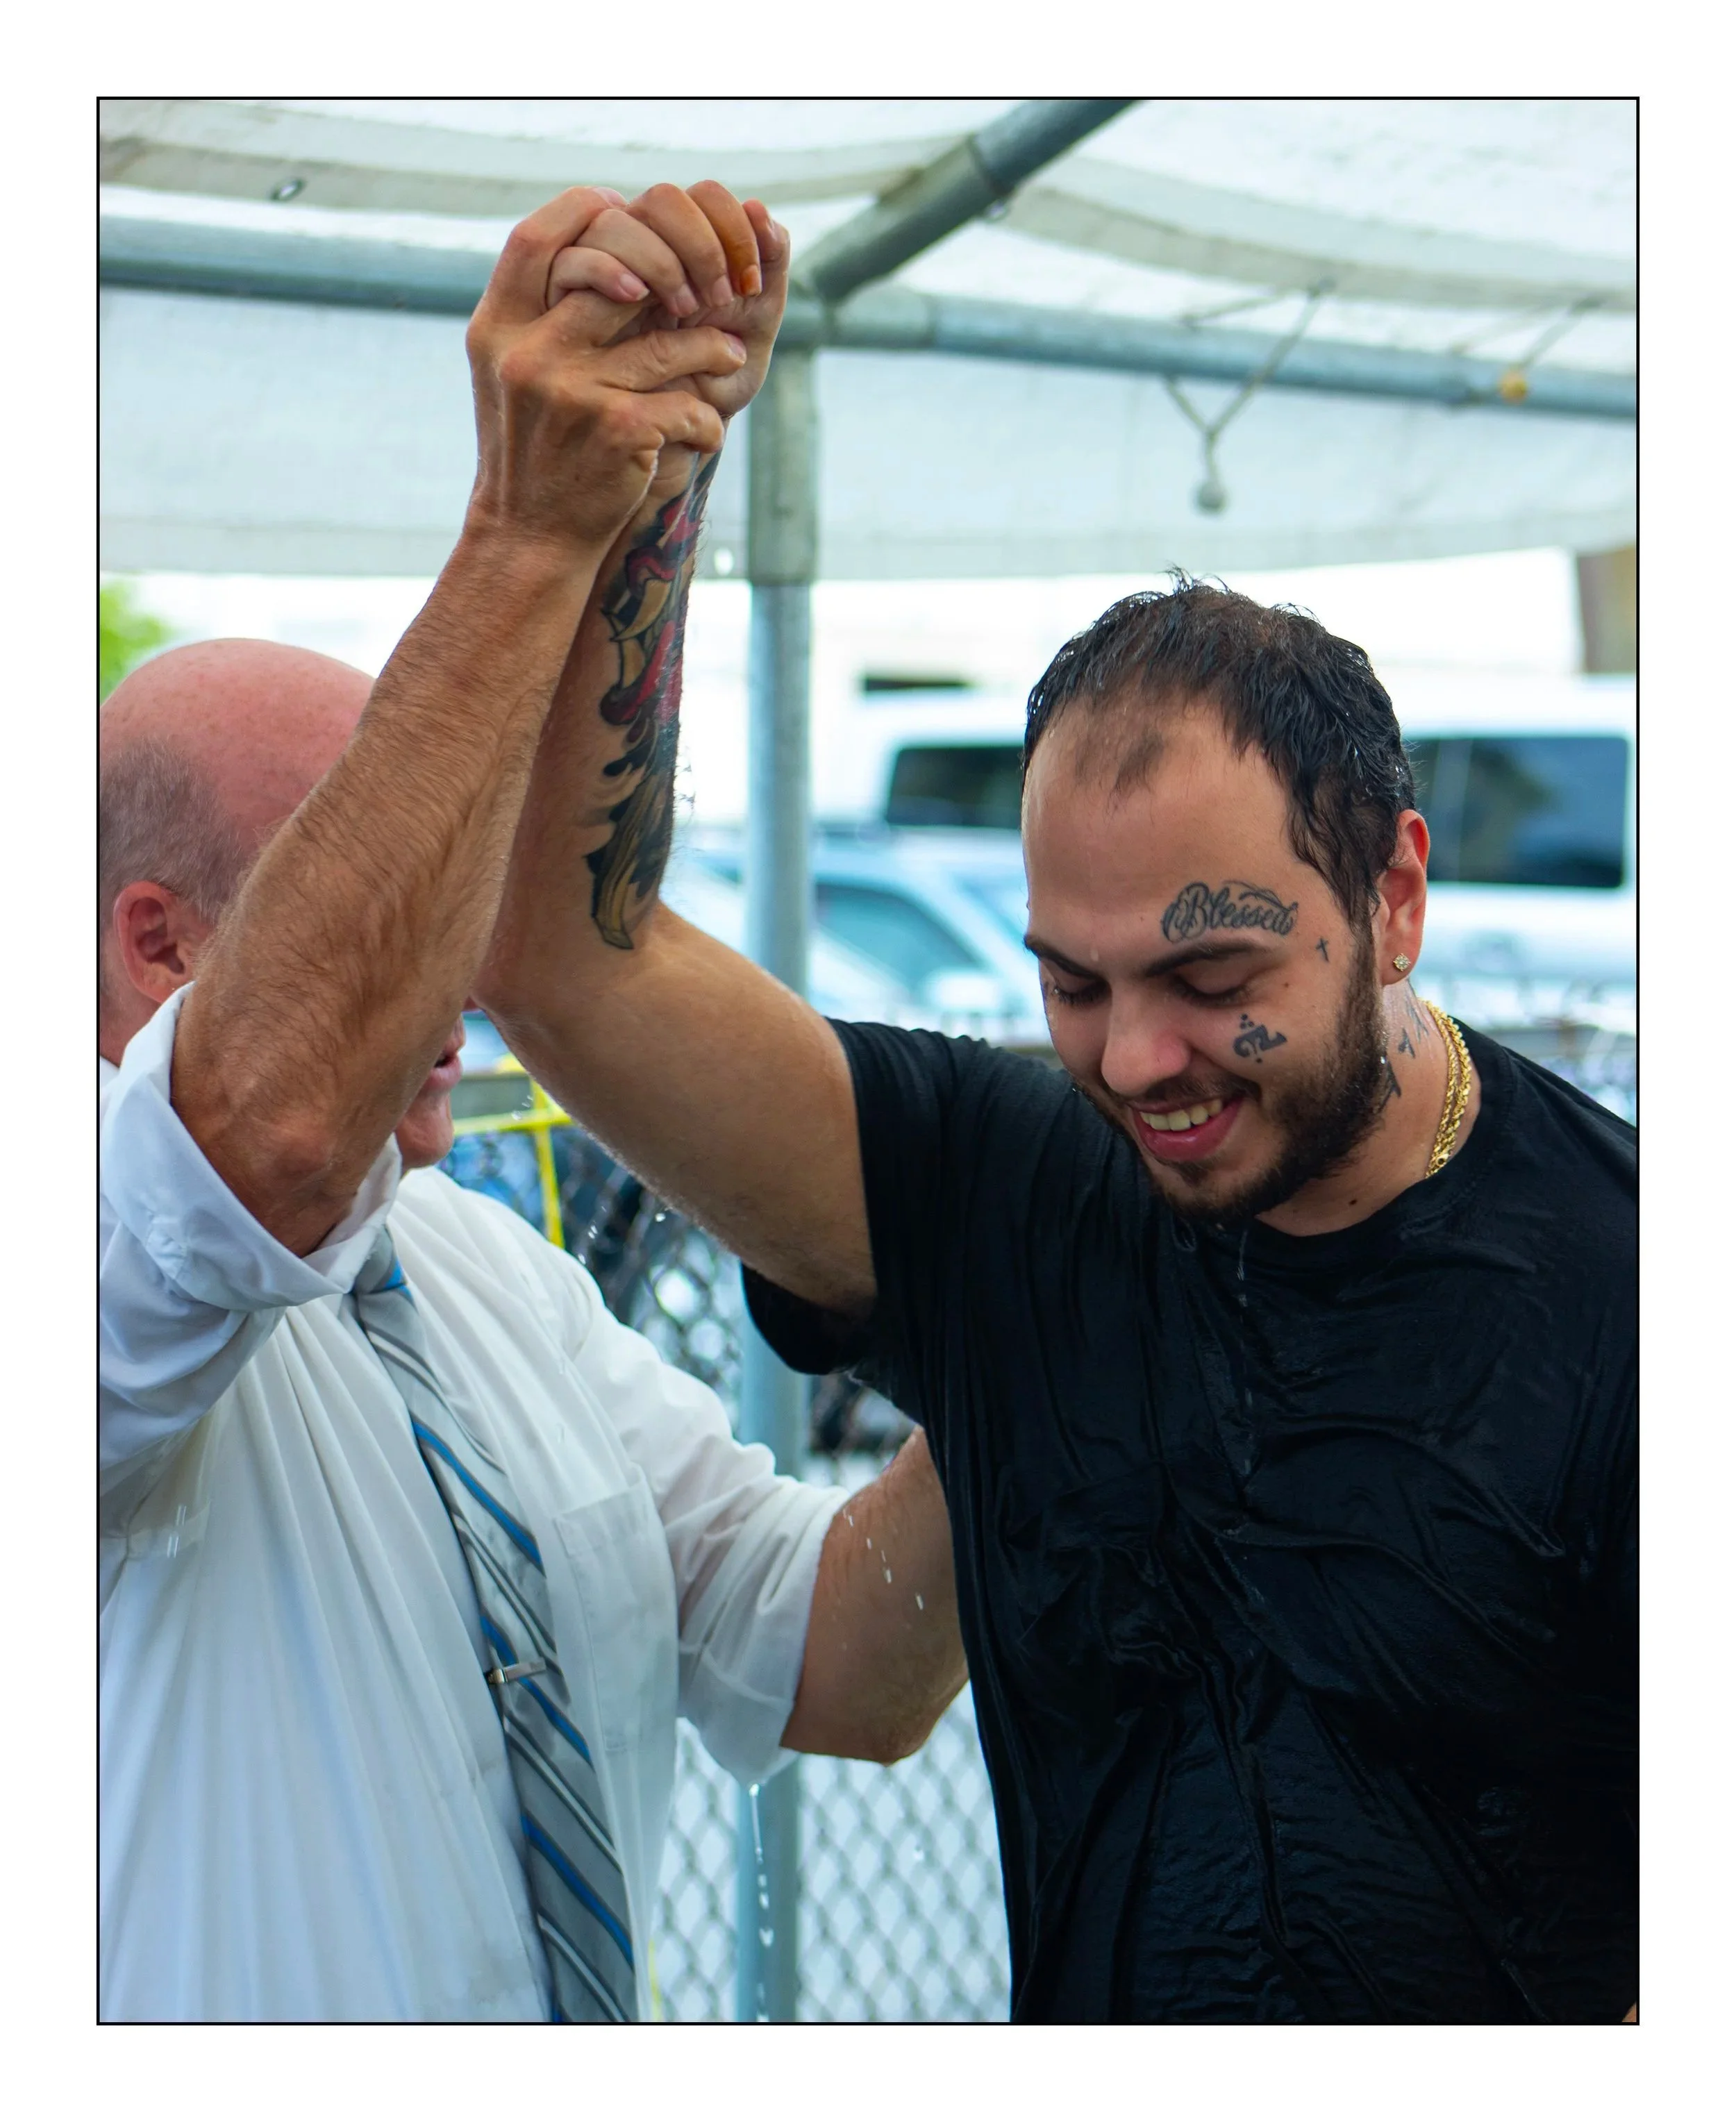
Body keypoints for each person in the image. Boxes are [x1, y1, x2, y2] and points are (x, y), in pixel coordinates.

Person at [476, 183, 1639, 2023]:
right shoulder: (1017, 1193)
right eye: (1069, 981)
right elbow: (560, 956)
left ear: (1393, 895)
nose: (1130, 1062)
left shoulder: (1625, 1295)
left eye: (1213, 980)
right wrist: (632, 487)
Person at [99, 186, 965, 2024]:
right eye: (390, 907)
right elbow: (255, 1136)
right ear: (159, 949)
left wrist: (1054, 1334)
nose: (464, 976)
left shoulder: (489, 1279)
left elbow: (839, 1661)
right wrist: (525, 521)